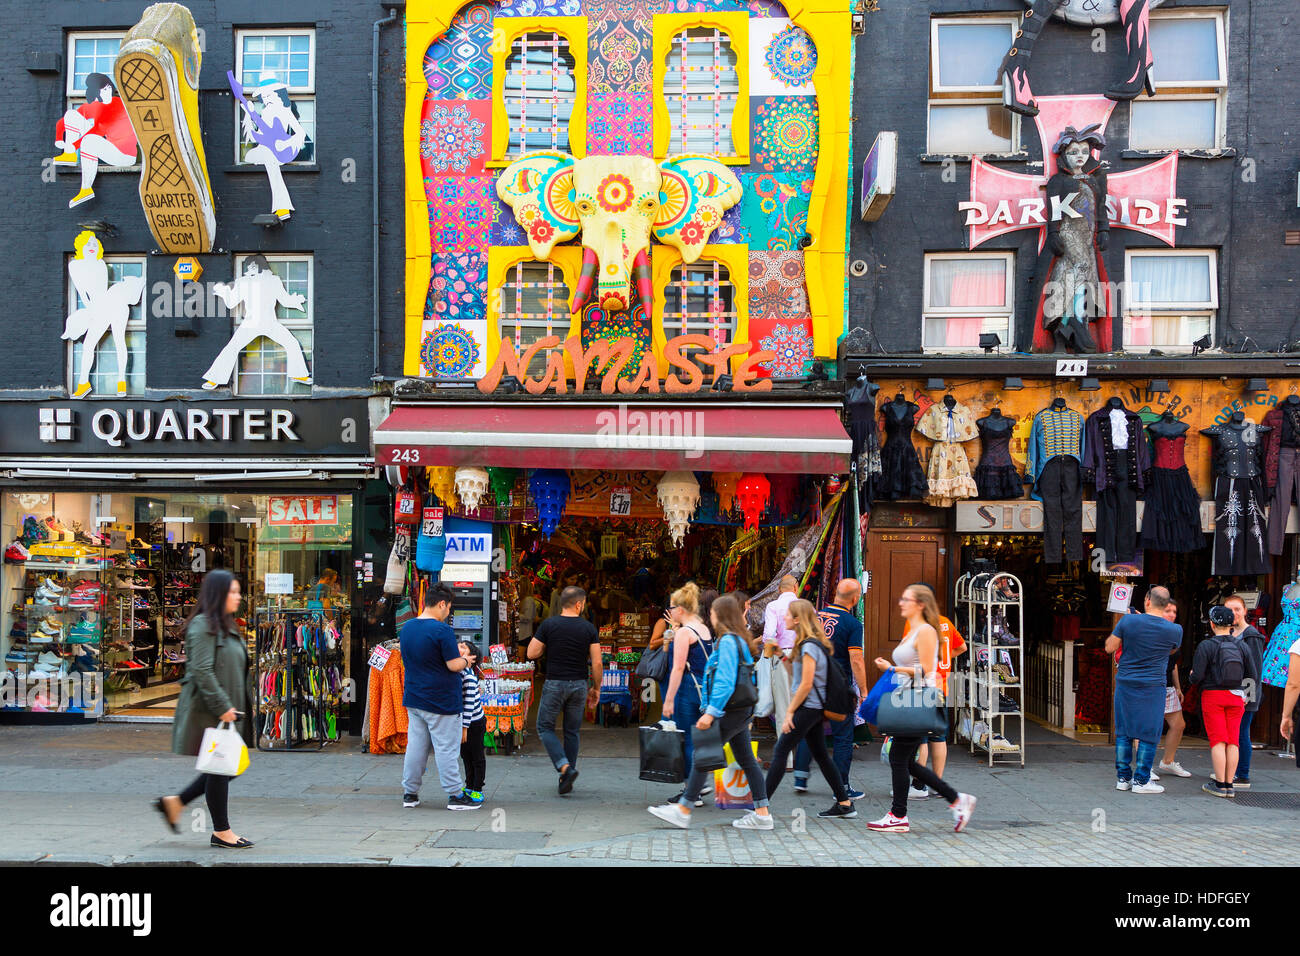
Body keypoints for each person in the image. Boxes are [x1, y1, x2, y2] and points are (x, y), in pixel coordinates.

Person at [647, 595, 774, 831]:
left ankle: (683, 809)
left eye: (713, 613)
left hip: (729, 710)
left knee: (702, 754)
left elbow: (725, 681)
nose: (711, 617)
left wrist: (711, 713)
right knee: (746, 760)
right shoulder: (739, 640)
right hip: (741, 709)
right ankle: (762, 814)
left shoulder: (727, 642)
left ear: (720, 616)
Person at [156, 570, 255, 848]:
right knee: (223, 768)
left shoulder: (226, 624)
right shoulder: (203, 625)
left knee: (228, 765)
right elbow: (200, 669)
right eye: (232, 592)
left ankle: (175, 803)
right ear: (217, 594)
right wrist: (223, 705)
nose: (238, 597)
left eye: (238, 591)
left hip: (225, 709)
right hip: (208, 710)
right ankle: (221, 832)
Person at [868, 585, 975, 833]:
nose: (901, 603)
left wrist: (892, 669)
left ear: (920, 605)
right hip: (909, 699)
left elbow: (928, 671)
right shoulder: (915, 630)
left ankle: (899, 815)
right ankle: (957, 800)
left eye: (906, 599)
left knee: (899, 758)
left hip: (918, 701)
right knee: (904, 760)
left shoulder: (925, 631)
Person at [764, 600, 857, 819]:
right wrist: (781, 655)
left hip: (808, 708)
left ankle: (760, 806)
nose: (784, 617)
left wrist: (789, 713)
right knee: (822, 756)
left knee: (780, 750)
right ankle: (844, 803)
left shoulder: (808, 646)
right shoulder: (809, 644)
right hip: (814, 708)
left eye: (787, 615)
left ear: (797, 619)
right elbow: (797, 675)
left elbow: (806, 684)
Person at [399, 584, 478, 810]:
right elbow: (453, 665)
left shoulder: (408, 627)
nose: (448, 612)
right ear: (442, 604)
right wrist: (466, 661)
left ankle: (410, 793)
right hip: (440, 700)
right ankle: (455, 795)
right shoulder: (441, 630)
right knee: (446, 749)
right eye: (449, 607)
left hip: (414, 697)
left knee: (416, 747)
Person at [1106, 586, 1182, 794]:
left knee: (1123, 732)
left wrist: (1129, 633)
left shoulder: (1128, 621)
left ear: (1147, 600)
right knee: (1149, 733)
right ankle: (1141, 780)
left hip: (1126, 682)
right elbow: (1171, 649)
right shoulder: (1175, 630)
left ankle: (1123, 778)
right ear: (1166, 605)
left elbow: (1109, 647)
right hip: (1152, 686)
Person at [793, 579, 865, 799]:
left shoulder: (816, 617)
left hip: (813, 681)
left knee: (809, 728)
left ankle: (800, 776)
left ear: (835, 594)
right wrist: (863, 689)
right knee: (843, 735)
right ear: (854, 599)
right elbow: (856, 659)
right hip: (837, 685)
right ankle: (841, 786)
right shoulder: (852, 624)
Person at [528, 586, 601, 795]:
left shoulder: (549, 625)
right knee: (572, 731)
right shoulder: (588, 628)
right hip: (579, 684)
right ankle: (566, 776)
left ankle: (565, 768)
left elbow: (532, 653)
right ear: (579, 604)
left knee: (544, 727)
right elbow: (596, 663)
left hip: (555, 683)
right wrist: (596, 688)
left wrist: (546, 646)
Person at [203, 255, 313, 390]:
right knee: (232, 348)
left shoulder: (273, 280)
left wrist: (295, 301)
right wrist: (224, 292)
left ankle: (299, 374)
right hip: (251, 324)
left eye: (252, 266)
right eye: (249, 267)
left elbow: (284, 300)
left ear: (259, 265)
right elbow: (232, 303)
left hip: (270, 323)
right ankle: (215, 379)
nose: (249, 269)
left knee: (292, 343)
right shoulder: (243, 282)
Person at [899, 586, 967, 801]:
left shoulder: (916, 624)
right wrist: (943, 665)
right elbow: (962, 647)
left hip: (921, 685)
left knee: (921, 739)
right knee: (938, 737)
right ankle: (938, 783)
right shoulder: (945, 622)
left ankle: (919, 786)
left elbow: (907, 654)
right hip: (941, 685)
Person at [1191, 605, 1259, 798]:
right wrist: (1247, 697)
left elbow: (1197, 677)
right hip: (1237, 697)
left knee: (1218, 740)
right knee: (1233, 741)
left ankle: (1220, 784)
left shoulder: (1206, 646)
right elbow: (1252, 675)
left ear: (1212, 624)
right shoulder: (1242, 645)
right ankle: (1230, 784)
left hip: (1213, 696)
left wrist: (1191, 677)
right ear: (1232, 624)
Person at [52, 73, 138, 208]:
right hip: (110, 148)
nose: (108, 90)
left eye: (109, 87)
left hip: (125, 155)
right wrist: (58, 138)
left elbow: (98, 130)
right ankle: (69, 155)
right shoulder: (96, 107)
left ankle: (86, 188)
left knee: (89, 141)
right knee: (72, 114)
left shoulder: (119, 105)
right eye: (104, 89)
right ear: (97, 92)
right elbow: (64, 121)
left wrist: (74, 145)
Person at [661, 582, 714, 779]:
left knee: (686, 737)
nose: (669, 611)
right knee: (695, 737)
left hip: (687, 689)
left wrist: (668, 699)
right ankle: (698, 784)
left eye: (671, 607)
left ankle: (693, 789)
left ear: (680, 609)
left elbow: (678, 667)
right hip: (702, 687)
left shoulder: (685, 633)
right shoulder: (703, 628)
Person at [1224, 594, 1266, 789]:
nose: (1233, 613)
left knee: (1241, 733)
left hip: (1245, 695)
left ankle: (1242, 774)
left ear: (1245, 612)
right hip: (1229, 693)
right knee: (1231, 733)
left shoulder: (1252, 636)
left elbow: (1255, 670)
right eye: (1229, 609)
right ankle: (1229, 771)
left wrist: (1247, 696)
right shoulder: (1228, 633)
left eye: (1237, 609)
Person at [762, 576, 799, 762]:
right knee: (803, 707)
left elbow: (769, 635)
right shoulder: (804, 606)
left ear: (779, 590)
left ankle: (787, 759)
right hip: (804, 657)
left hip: (782, 657)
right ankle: (802, 759)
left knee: (784, 708)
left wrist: (768, 659)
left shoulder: (773, 607)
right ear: (796, 587)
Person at [1156, 598, 1191, 778]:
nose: (1171, 615)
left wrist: (1178, 687)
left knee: (1178, 725)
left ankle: (1168, 761)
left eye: (1174, 612)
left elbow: (1174, 663)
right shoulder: (1151, 630)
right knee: (1147, 726)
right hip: (1151, 684)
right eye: (1167, 611)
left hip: (1168, 685)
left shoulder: (1175, 631)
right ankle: (1142, 765)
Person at [459, 642, 486, 803]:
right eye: (459, 645)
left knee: (476, 756)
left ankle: (477, 788)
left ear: (472, 658)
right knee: (465, 755)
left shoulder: (468, 676)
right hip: (465, 721)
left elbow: (469, 705)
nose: (459, 647)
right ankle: (469, 784)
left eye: (464, 647)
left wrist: (464, 728)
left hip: (474, 722)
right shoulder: (460, 671)